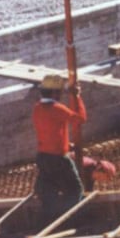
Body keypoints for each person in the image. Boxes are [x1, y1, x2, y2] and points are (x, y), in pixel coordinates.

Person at [33, 74, 87, 223]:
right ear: (55, 93)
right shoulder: (57, 108)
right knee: (75, 190)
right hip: (58, 158)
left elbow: (51, 130)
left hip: (43, 157)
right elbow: (80, 119)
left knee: (49, 192)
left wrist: (66, 143)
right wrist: (76, 96)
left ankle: (47, 221)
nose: (62, 95)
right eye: (61, 92)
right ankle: (70, 221)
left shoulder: (37, 108)